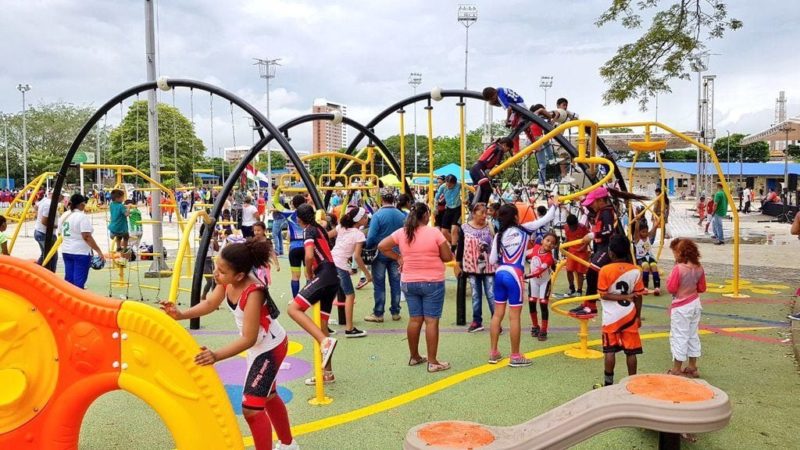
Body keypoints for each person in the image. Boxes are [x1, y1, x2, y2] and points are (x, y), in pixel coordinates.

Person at [159, 240, 297, 450]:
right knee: (268, 396)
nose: (216, 273)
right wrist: (181, 314)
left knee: (251, 409)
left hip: (270, 348)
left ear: (239, 275)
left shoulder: (253, 292)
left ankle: (286, 444)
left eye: (222, 271)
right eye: (217, 266)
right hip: (259, 346)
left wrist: (216, 355)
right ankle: (288, 444)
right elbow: (210, 303)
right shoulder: (227, 280)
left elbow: (249, 338)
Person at [379, 202, 453, 372]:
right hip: (432, 281)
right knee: (431, 321)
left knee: (415, 319)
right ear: (426, 215)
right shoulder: (434, 232)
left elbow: (382, 246)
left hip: (409, 281)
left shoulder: (402, 232)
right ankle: (433, 361)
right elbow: (447, 257)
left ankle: (414, 356)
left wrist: (398, 257)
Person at [488, 199, 558, 367]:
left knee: (497, 314)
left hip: (500, 273)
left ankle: (494, 352)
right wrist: (554, 204)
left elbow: (492, 260)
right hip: (515, 274)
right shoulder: (524, 229)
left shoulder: (498, 235)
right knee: (514, 317)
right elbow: (546, 218)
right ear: (515, 217)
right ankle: (515, 356)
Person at [572, 186, 647, 317]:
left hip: (606, 247)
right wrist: (582, 199)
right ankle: (588, 303)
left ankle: (590, 306)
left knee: (592, 272)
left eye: (593, 203)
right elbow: (590, 210)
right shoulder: (601, 210)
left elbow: (608, 230)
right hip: (600, 247)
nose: (591, 206)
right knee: (591, 273)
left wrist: (592, 235)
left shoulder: (606, 212)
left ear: (601, 201)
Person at [286, 204, 339, 385]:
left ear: (299, 219)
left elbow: (309, 255)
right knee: (322, 326)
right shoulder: (320, 229)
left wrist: (309, 273)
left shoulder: (308, 230)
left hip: (323, 274)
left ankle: (325, 342)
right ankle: (328, 373)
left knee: (293, 309)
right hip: (333, 276)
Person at [597, 235, 645, 386]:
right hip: (629, 315)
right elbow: (638, 296)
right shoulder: (636, 270)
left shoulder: (605, 270)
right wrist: (638, 316)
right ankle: (632, 383)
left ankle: (608, 384)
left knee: (609, 350)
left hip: (611, 317)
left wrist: (622, 296)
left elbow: (603, 294)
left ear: (611, 253)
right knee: (631, 351)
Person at [666, 238, 706, 378]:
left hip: (681, 306)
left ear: (681, 253)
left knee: (679, 335)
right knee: (692, 334)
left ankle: (677, 368)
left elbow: (671, 288)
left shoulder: (679, 269)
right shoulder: (699, 268)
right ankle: (692, 366)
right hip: (695, 303)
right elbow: (702, 288)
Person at [330, 206, 371, 338]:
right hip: (340, 265)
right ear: (359, 220)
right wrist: (367, 274)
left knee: (329, 294)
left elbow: (326, 236)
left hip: (330, 261)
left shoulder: (341, 227)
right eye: (365, 217)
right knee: (350, 295)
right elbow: (357, 257)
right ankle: (349, 328)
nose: (367, 219)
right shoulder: (359, 235)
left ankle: (324, 325)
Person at [365, 192, 405, 323]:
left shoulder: (377, 215)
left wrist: (368, 247)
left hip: (380, 253)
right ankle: (396, 312)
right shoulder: (401, 215)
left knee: (379, 284)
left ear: (382, 200)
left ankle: (379, 313)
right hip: (396, 254)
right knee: (396, 283)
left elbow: (371, 236)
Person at [455, 203, 496, 333]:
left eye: (486, 213)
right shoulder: (464, 228)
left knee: (491, 294)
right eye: (481, 213)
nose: (484, 216)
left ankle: (496, 321)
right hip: (472, 267)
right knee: (475, 295)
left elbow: (496, 244)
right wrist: (458, 263)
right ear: (473, 213)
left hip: (489, 267)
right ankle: (477, 321)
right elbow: (460, 246)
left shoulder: (490, 226)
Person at [60, 194, 105, 289]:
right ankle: (76, 296)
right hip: (81, 252)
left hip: (66, 250)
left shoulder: (65, 215)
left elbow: (60, 232)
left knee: (69, 279)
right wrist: (98, 251)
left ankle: (68, 296)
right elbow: (87, 236)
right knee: (79, 281)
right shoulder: (82, 217)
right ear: (81, 204)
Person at [526, 232, 558, 341]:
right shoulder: (535, 248)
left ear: (554, 246)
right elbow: (525, 254)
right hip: (533, 281)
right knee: (531, 303)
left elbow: (538, 271)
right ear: (542, 240)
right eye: (547, 240)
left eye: (552, 243)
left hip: (544, 282)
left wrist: (525, 276)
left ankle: (543, 330)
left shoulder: (549, 258)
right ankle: (535, 326)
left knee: (543, 305)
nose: (549, 244)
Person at [470, 137, 515, 206]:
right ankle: (482, 207)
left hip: (475, 169)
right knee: (488, 190)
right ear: (505, 145)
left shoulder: (494, 146)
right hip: (478, 169)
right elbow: (500, 151)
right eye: (507, 149)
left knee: (480, 191)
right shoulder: (499, 148)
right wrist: (497, 165)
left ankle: (474, 206)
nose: (506, 152)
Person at [482, 87, 526, 151]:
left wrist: (507, 119)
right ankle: (516, 149)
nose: (493, 100)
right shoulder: (500, 89)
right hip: (519, 104)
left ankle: (516, 150)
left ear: (494, 94)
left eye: (492, 99)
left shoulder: (500, 97)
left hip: (519, 108)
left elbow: (509, 108)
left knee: (515, 129)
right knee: (514, 127)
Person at [563, 213, 590, 297]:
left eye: (573, 227)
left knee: (579, 272)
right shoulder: (566, 227)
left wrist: (583, 247)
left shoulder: (583, 228)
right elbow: (567, 238)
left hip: (581, 252)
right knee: (569, 270)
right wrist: (564, 246)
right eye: (570, 227)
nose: (572, 228)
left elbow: (588, 239)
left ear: (577, 223)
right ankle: (571, 288)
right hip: (571, 252)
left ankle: (579, 290)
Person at [635, 217, 661, 295]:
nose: (645, 233)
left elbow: (653, 230)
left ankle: (657, 287)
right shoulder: (637, 239)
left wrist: (656, 224)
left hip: (650, 257)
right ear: (639, 232)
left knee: (654, 266)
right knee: (646, 266)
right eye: (643, 232)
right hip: (641, 258)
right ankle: (645, 287)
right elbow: (636, 230)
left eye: (646, 232)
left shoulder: (648, 237)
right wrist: (637, 221)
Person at [435, 174, 462, 247]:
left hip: (457, 208)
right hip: (449, 208)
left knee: (454, 229)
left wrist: (466, 198)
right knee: (444, 231)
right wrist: (435, 208)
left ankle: (454, 247)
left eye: (450, 185)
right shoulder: (443, 187)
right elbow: (436, 197)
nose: (448, 186)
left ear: (454, 183)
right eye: (447, 184)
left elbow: (466, 189)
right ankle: (456, 243)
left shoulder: (459, 185)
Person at [34, 190, 58, 272]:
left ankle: (37, 272)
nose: (62, 199)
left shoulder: (45, 201)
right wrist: (56, 226)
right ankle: (49, 274)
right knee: (52, 256)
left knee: (45, 254)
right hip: (44, 233)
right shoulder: (49, 204)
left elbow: (36, 207)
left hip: (40, 231)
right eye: (62, 197)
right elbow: (44, 221)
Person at [252, 221, 280, 285]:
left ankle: (264, 289)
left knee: (264, 281)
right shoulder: (253, 241)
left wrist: (277, 264)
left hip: (264, 265)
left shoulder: (267, 241)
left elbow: (272, 253)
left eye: (258, 230)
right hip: (254, 265)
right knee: (255, 282)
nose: (256, 232)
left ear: (264, 230)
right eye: (255, 230)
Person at [108, 189, 130, 255]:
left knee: (118, 236)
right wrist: (128, 208)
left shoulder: (111, 204)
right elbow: (126, 214)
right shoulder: (121, 206)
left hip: (113, 227)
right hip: (121, 227)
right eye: (122, 198)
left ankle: (118, 247)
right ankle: (125, 248)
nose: (123, 199)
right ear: (117, 198)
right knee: (126, 236)